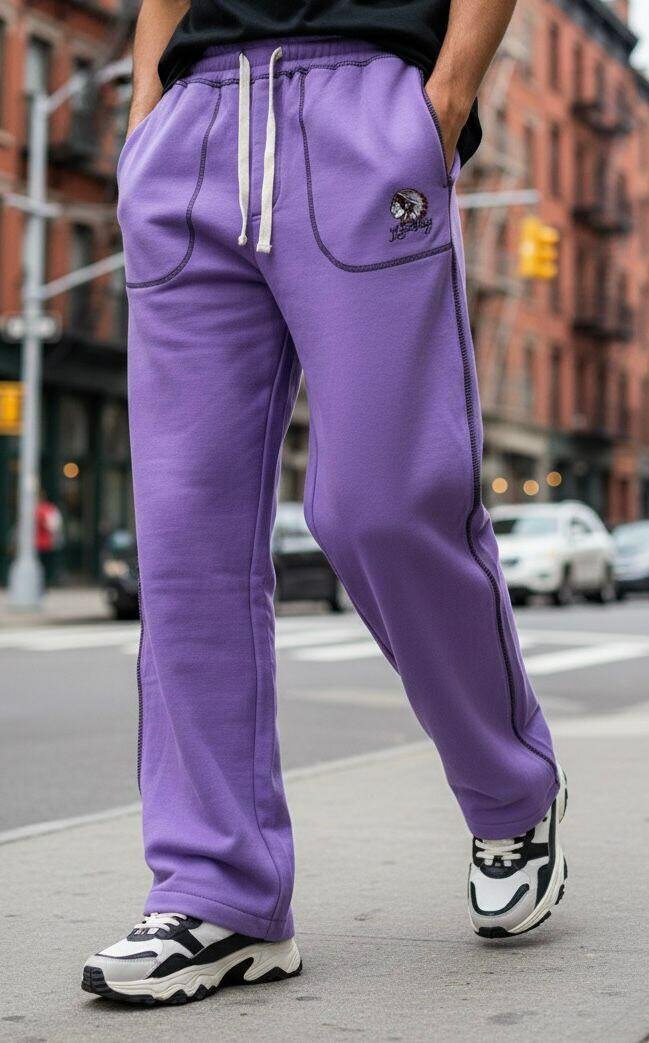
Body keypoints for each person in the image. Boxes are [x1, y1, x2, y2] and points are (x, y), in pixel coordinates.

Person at [82, 0, 568, 1005]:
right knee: (185, 541)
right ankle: (219, 889)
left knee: (383, 504)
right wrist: (146, 119)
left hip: (365, 111)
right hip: (193, 123)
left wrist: (442, 101)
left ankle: (509, 789)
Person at [35, 490, 63, 587]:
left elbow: (54, 525)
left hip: (44, 543)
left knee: (44, 565)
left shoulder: (47, 509)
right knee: (44, 565)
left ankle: (44, 583)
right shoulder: (44, 509)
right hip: (40, 543)